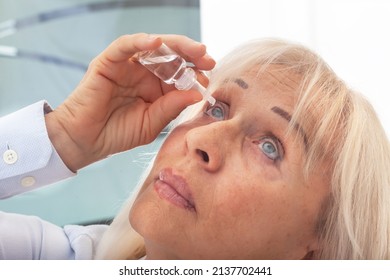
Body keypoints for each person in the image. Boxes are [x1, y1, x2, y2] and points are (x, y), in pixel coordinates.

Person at [1, 33, 390, 260]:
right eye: (217, 110)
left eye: (269, 147)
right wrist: (64, 136)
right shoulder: (75, 258)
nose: (199, 138)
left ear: (316, 249)